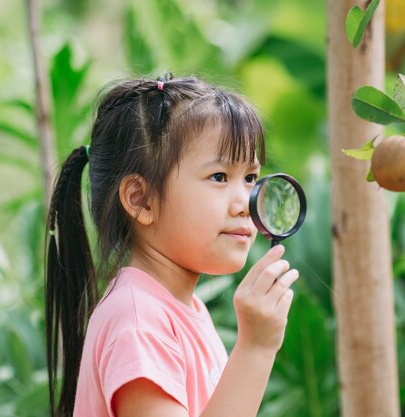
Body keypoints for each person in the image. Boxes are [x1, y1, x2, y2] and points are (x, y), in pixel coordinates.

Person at [45, 75, 299, 417]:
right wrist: (255, 347)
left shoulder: (180, 308)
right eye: (219, 177)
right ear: (141, 200)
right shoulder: (137, 322)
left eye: (250, 178)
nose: (245, 203)